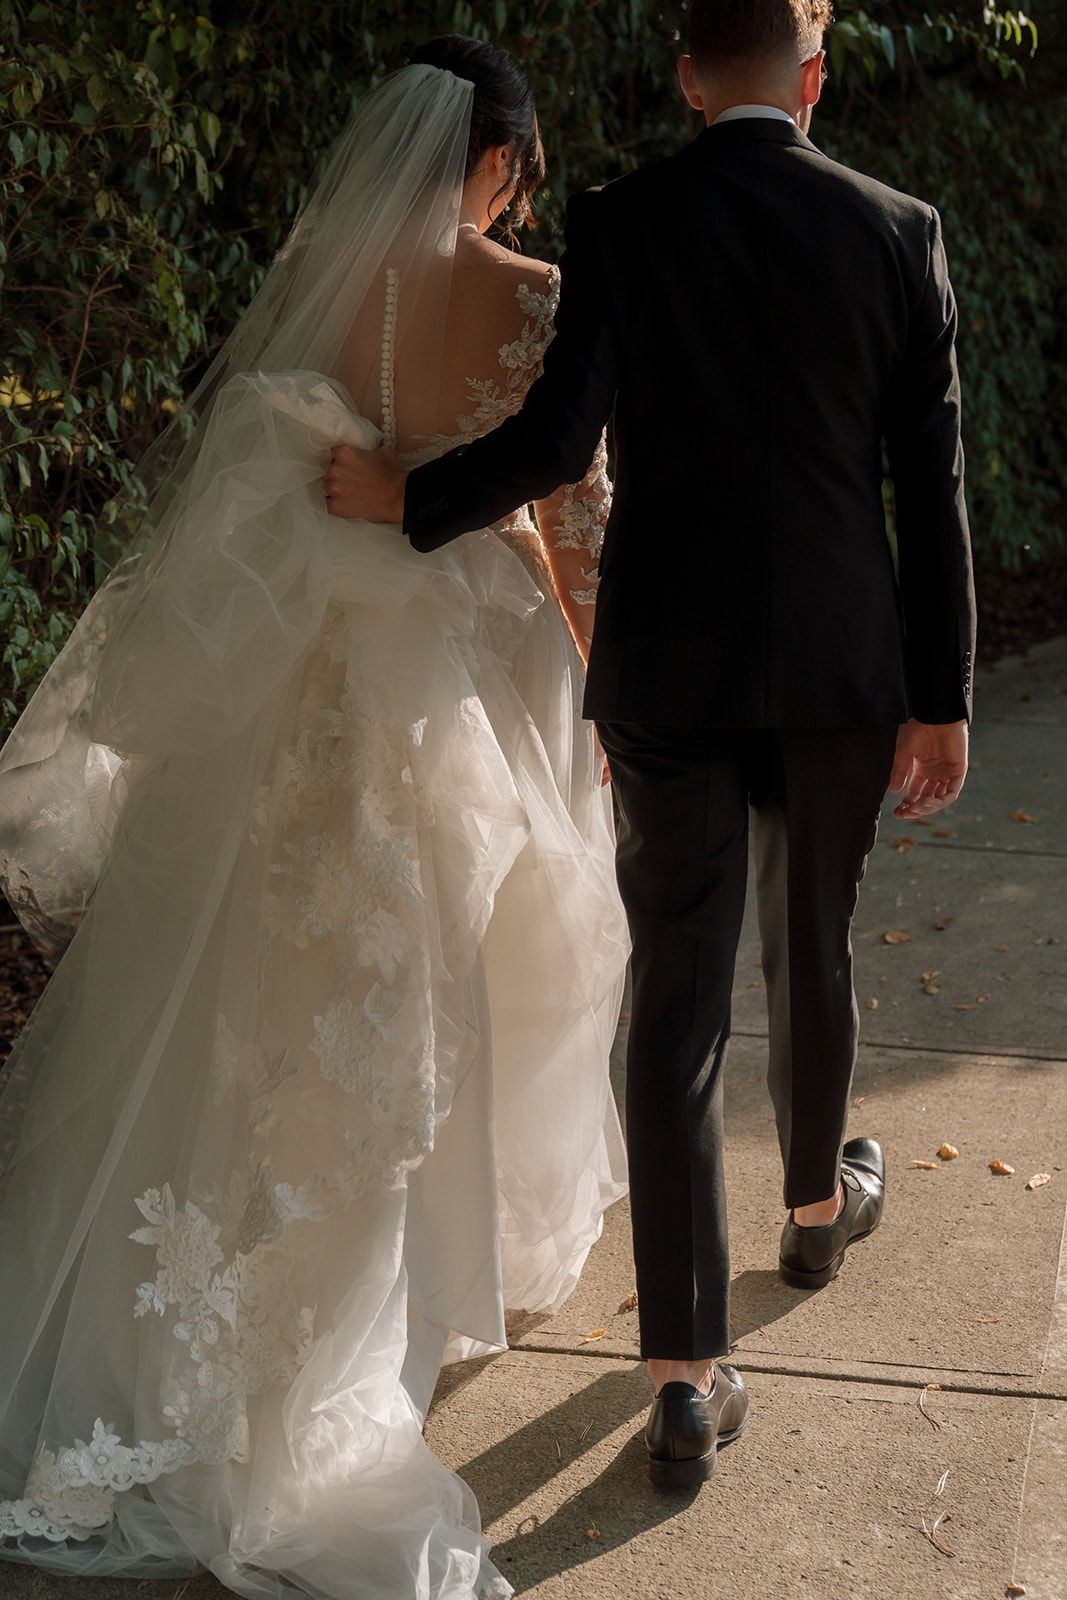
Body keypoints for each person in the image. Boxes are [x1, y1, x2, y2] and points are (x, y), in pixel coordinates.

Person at [0, 38, 628, 1600]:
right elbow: (578, 515)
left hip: (307, 677)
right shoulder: (535, 297)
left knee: (241, 986)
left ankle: (168, 1333)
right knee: (467, 982)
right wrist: (604, 685)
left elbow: (265, 475)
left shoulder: (326, 277)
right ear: (503, 164)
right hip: (457, 677)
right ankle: (400, 1305)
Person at [324, 0, 976, 1489]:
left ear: (688, 75)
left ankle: (684, 1373)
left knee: (676, 996)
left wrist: (411, 503)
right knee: (813, 937)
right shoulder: (899, 229)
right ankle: (817, 1211)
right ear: (811, 78)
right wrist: (938, 696)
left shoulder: (624, 220)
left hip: (667, 664)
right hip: (835, 667)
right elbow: (926, 485)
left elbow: (557, 444)